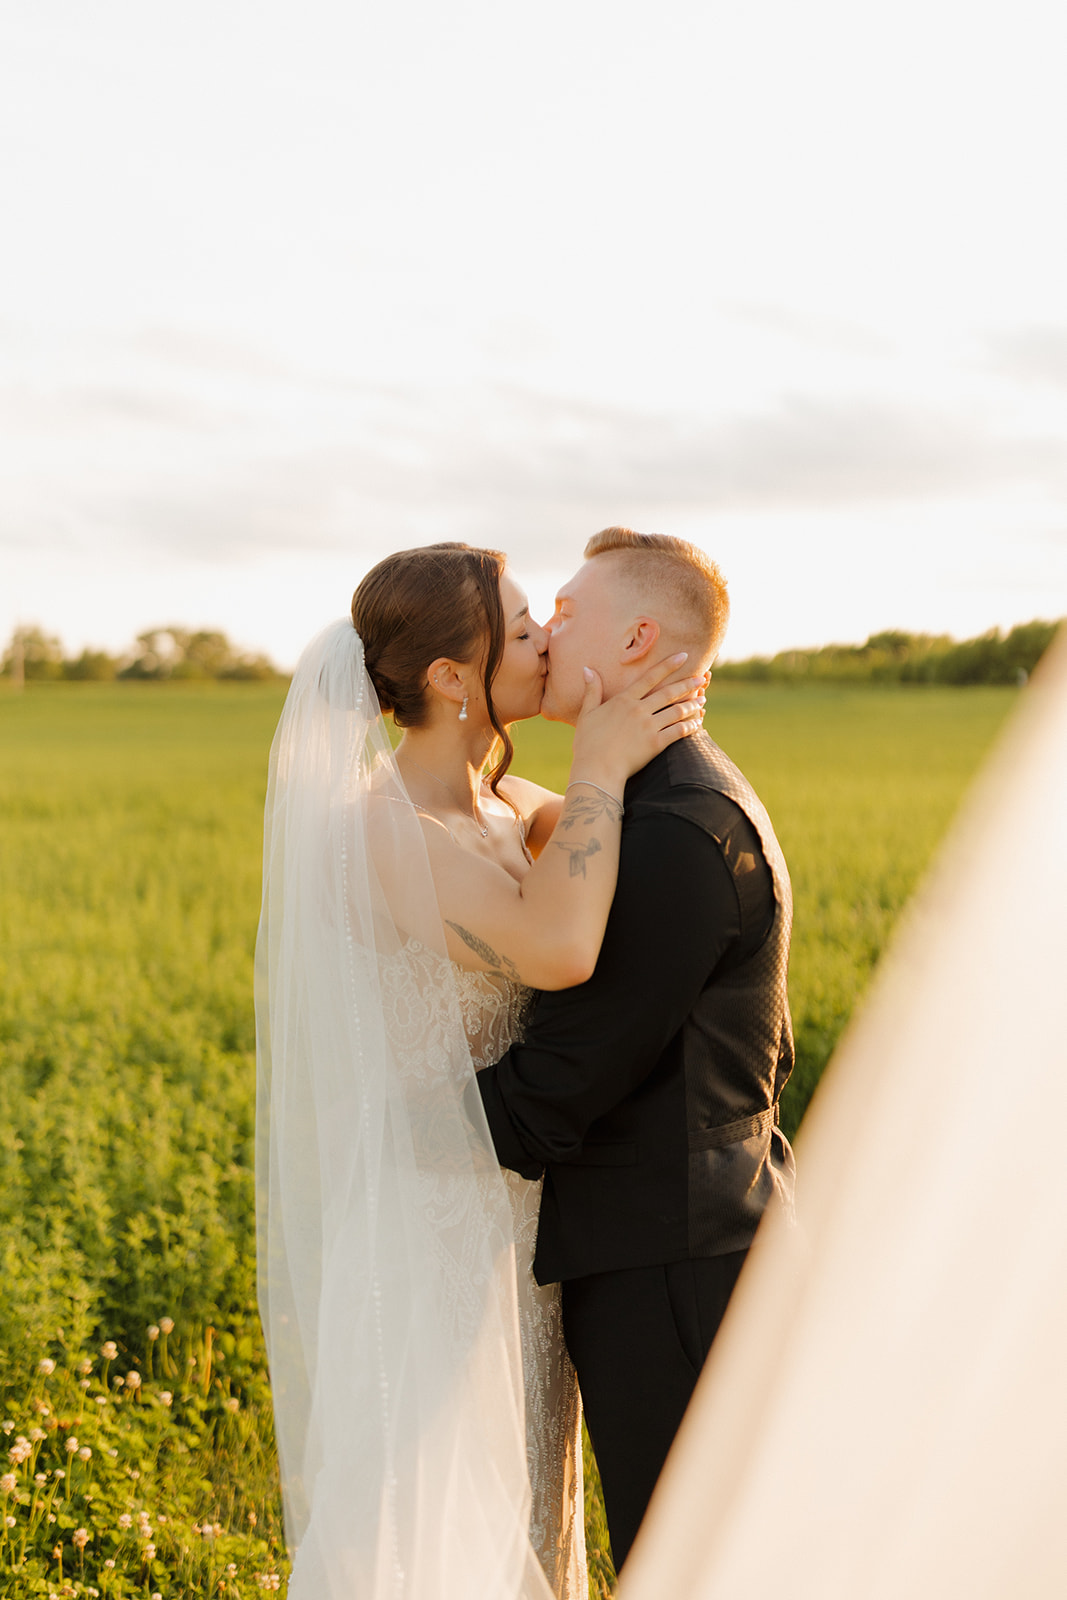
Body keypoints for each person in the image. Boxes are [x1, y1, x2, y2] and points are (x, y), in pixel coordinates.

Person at [255, 541, 705, 1600]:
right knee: (438, 1523)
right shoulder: (386, 831)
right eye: (518, 629)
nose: (545, 636)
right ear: (452, 677)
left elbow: (581, 841)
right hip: (432, 1239)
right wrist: (596, 766)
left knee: (528, 1517)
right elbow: (554, 947)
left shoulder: (495, 806)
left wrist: (614, 738)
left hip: (518, 1222)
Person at [477, 526, 798, 1572]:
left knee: (685, 1562)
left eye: (564, 612)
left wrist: (374, 1105)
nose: (543, 630)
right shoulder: (660, 800)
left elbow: (549, 1093)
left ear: (638, 640)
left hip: (674, 1265)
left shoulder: (671, 829)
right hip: (687, 1235)